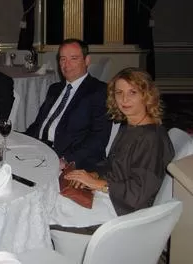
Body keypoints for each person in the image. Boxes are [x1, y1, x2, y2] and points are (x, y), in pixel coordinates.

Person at [52, 68, 174, 231]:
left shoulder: (151, 138)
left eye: (132, 92)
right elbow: (112, 164)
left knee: (50, 212)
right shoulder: (130, 125)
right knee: (53, 196)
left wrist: (97, 184)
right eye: (119, 92)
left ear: (146, 95)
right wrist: (93, 175)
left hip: (124, 211)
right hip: (111, 196)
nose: (124, 99)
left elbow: (137, 195)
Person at [26, 39, 111, 171]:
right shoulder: (54, 88)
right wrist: (19, 140)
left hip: (68, 160)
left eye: (73, 58)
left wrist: (67, 160)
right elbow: (38, 125)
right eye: (63, 59)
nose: (66, 65)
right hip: (39, 151)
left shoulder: (99, 91)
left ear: (87, 60)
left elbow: (98, 138)